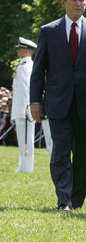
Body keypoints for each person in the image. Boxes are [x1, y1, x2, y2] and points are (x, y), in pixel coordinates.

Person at [30, 0, 86, 212]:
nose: (78, 4)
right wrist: (35, 101)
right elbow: (39, 69)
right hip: (58, 102)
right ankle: (64, 200)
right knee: (60, 151)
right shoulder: (49, 31)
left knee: (83, 155)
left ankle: (76, 200)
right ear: (63, 2)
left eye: (82, 0)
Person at [12, 37, 37, 172]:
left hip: (25, 109)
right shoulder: (23, 65)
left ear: (26, 51)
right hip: (21, 109)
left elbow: (28, 88)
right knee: (22, 139)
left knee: (27, 139)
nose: (18, 51)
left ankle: (27, 167)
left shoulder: (26, 66)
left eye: (20, 49)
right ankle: (22, 165)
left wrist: (28, 107)